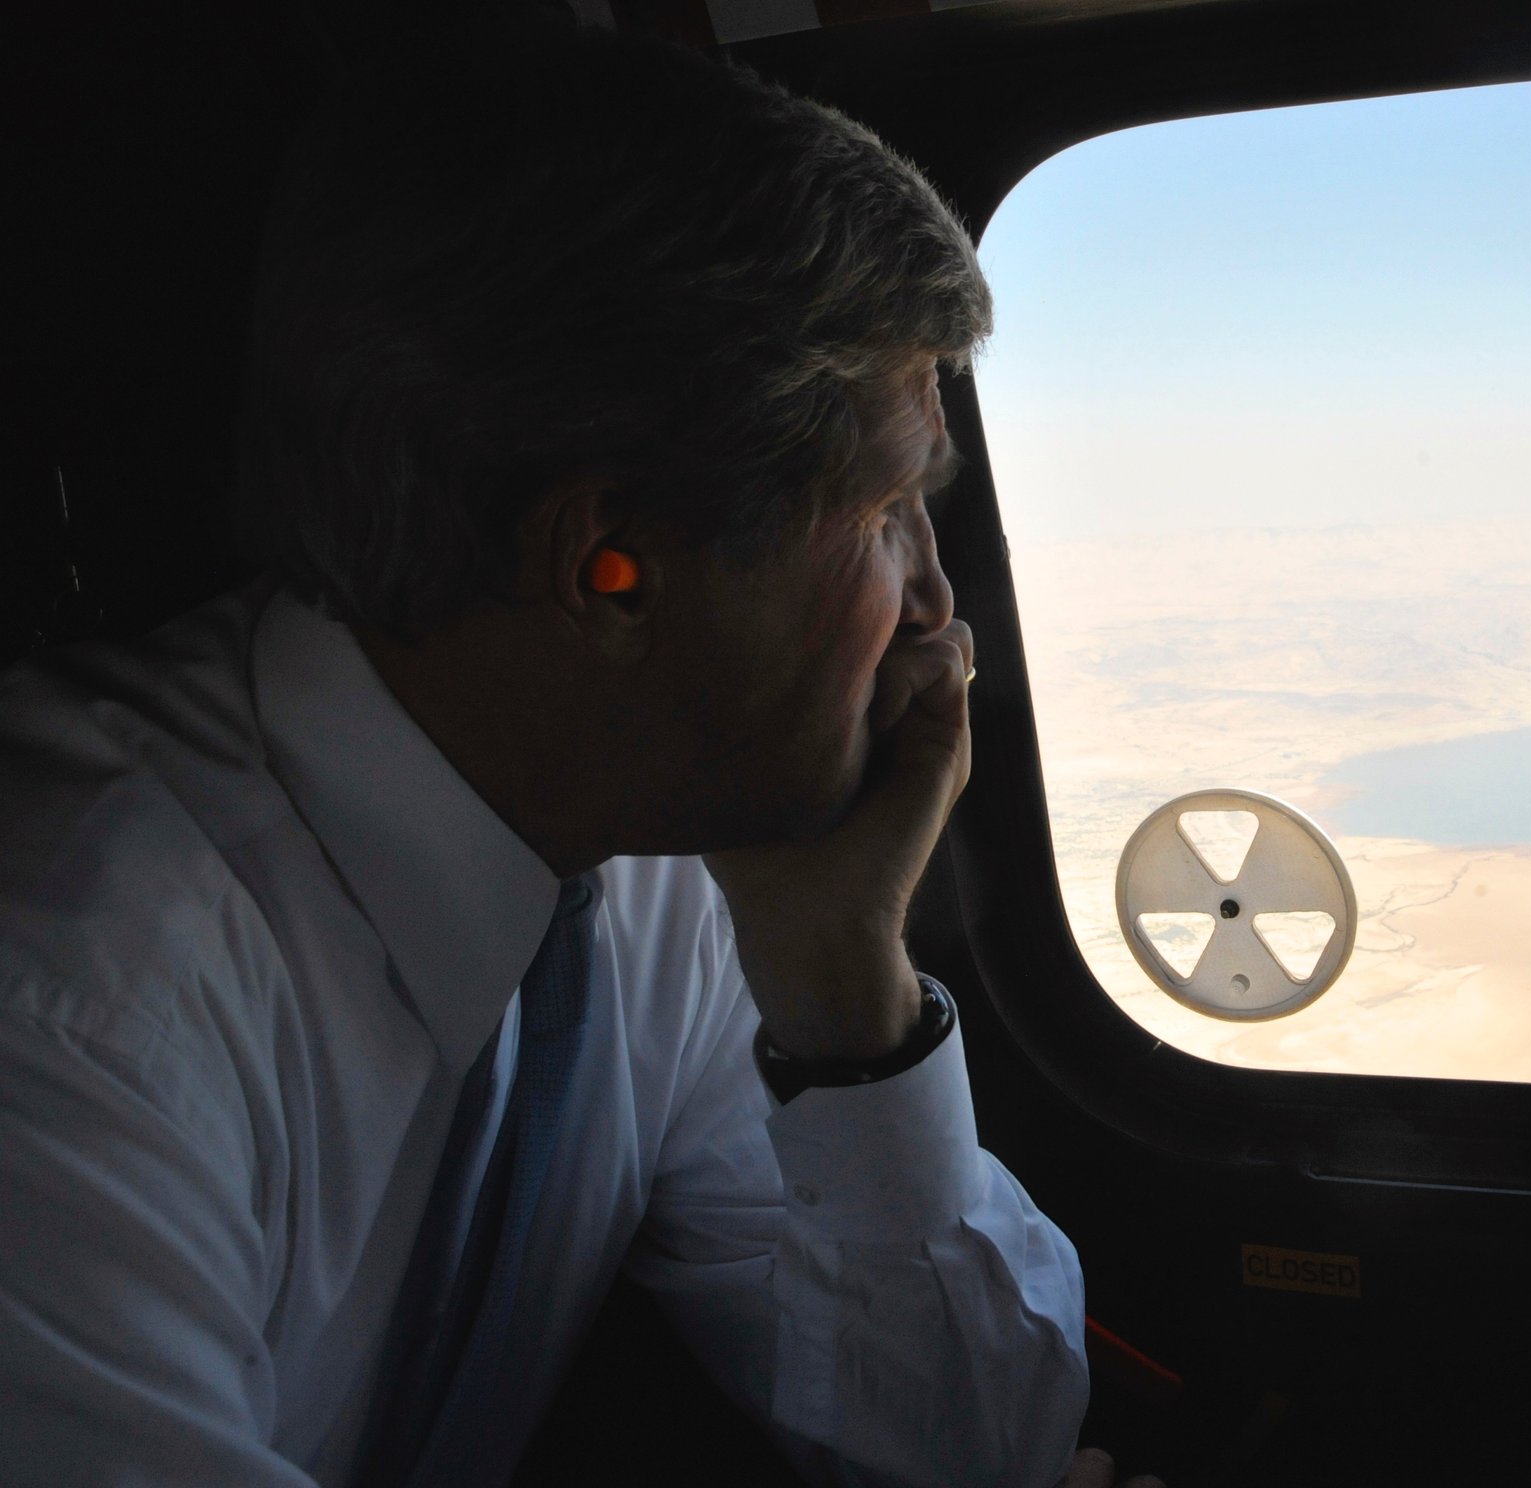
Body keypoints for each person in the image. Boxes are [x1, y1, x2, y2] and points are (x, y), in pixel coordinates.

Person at [0, 22, 1157, 1488]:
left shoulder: (648, 880)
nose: (936, 609)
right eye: (880, 516)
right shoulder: (71, 1018)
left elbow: (967, 1452)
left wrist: (842, 987)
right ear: (608, 565)